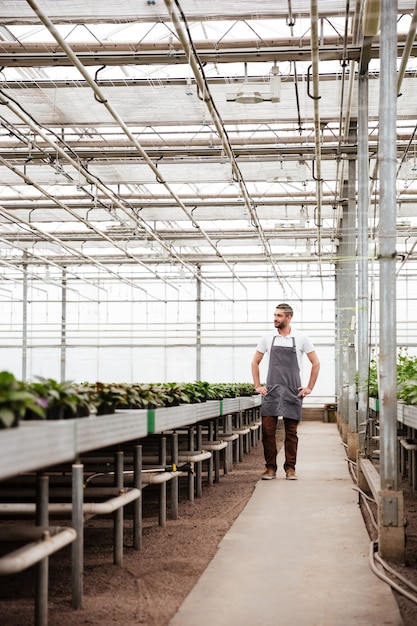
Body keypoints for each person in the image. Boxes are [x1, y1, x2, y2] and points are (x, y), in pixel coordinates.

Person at [251, 303, 320, 480]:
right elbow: (255, 362)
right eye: (274, 315)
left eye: (279, 316)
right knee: (268, 432)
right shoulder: (267, 338)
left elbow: (316, 363)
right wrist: (258, 386)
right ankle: (270, 468)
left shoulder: (301, 338)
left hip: (292, 391)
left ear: (289, 317)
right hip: (272, 391)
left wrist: (309, 387)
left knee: (291, 433)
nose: (275, 318)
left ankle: (290, 469)